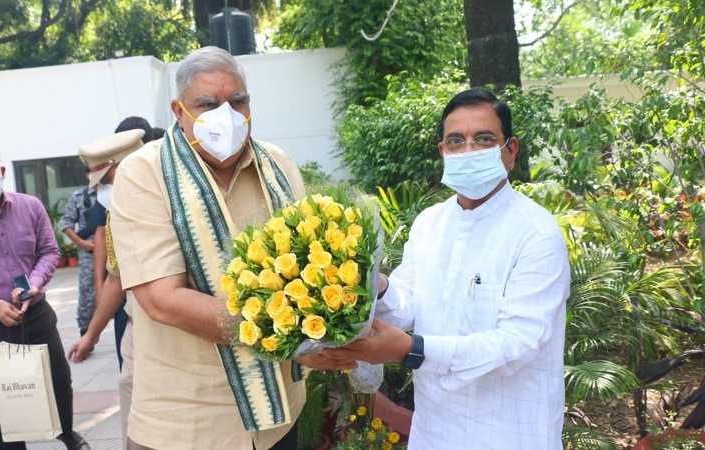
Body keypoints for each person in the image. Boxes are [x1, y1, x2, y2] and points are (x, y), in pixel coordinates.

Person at [109, 46, 349, 450]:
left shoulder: (278, 164)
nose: (228, 115)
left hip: (278, 417)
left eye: (238, 101)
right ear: (179, 110)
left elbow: (309, 263)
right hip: (189, 423)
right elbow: (162, 300)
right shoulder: (143, 173)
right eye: (208, 104)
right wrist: (291, 341)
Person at [325, 88, 571, 450]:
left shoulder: (536, 233)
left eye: (484, 139)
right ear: (443, 152)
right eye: (456, 141)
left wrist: (412, 350)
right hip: (436, 429)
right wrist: (372, 285)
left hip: (511, 432)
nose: (468, 151)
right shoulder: (430, 223)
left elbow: (518, 343)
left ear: (511, 151)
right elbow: (408, 302)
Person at [0, 143, 90, 450]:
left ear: (1, 172)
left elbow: (49, 250)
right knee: (5, 394)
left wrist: (32, 283)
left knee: (59, 380)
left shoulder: (30, 206)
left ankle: (67, 433)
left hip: (37, 312)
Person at [67, 129, 146, 449]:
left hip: (174, 326)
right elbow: (117, 278)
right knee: (129, 387)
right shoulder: (118, 213)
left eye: (106, 181)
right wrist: (91, 335)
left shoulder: (173, 205)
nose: (101, 191)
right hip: (136, 323)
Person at [59, 169, 97, 336]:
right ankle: (85, 331)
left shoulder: (116, 191)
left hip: (116, 253)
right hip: (90, 254)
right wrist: (82, 243)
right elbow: (65, 224)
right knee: (88, 294)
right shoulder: (79, 196)